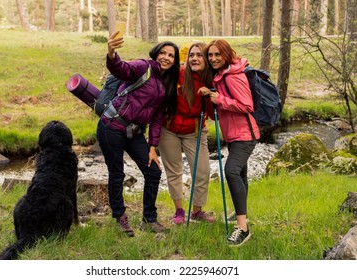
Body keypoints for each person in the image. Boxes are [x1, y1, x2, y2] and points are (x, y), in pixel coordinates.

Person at [97, 31, 180, 237]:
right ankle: (120, 217)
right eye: (163, 53)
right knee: (117, 173)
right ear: (156, 53)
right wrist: (111, 52)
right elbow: (120, 68)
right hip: (111, 126)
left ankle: (149, 219)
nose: (166, 57)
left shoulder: (165, 84)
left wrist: (153, 147)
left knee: (153, 172)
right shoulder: (144, 67)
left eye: (171, 55)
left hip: (134, 132)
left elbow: (158, 119)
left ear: (174, 61)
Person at [199, 39, 260, 246]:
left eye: (218, 54)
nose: (213, 58)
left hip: (245, 134)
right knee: (240, 173)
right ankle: (240, 211)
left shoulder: (234, 76)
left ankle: (243, 228)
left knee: (232, 171)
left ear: (226, 55)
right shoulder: (221, 76)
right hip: (234, 134)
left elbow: (247, 105)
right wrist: (211, 94)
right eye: (211, 55)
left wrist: (220, 100)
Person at [158, 42, 216, 225]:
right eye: (192, 55)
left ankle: (197, 211)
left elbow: (214, 113)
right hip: (169, 128)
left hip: (195, 129)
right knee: (174, 171)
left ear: (206, 59)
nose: (195, 59)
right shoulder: (179, 73)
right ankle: (179, 211)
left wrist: (210, 96)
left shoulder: (212, 79)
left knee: (202, 171)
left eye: (199, 55)